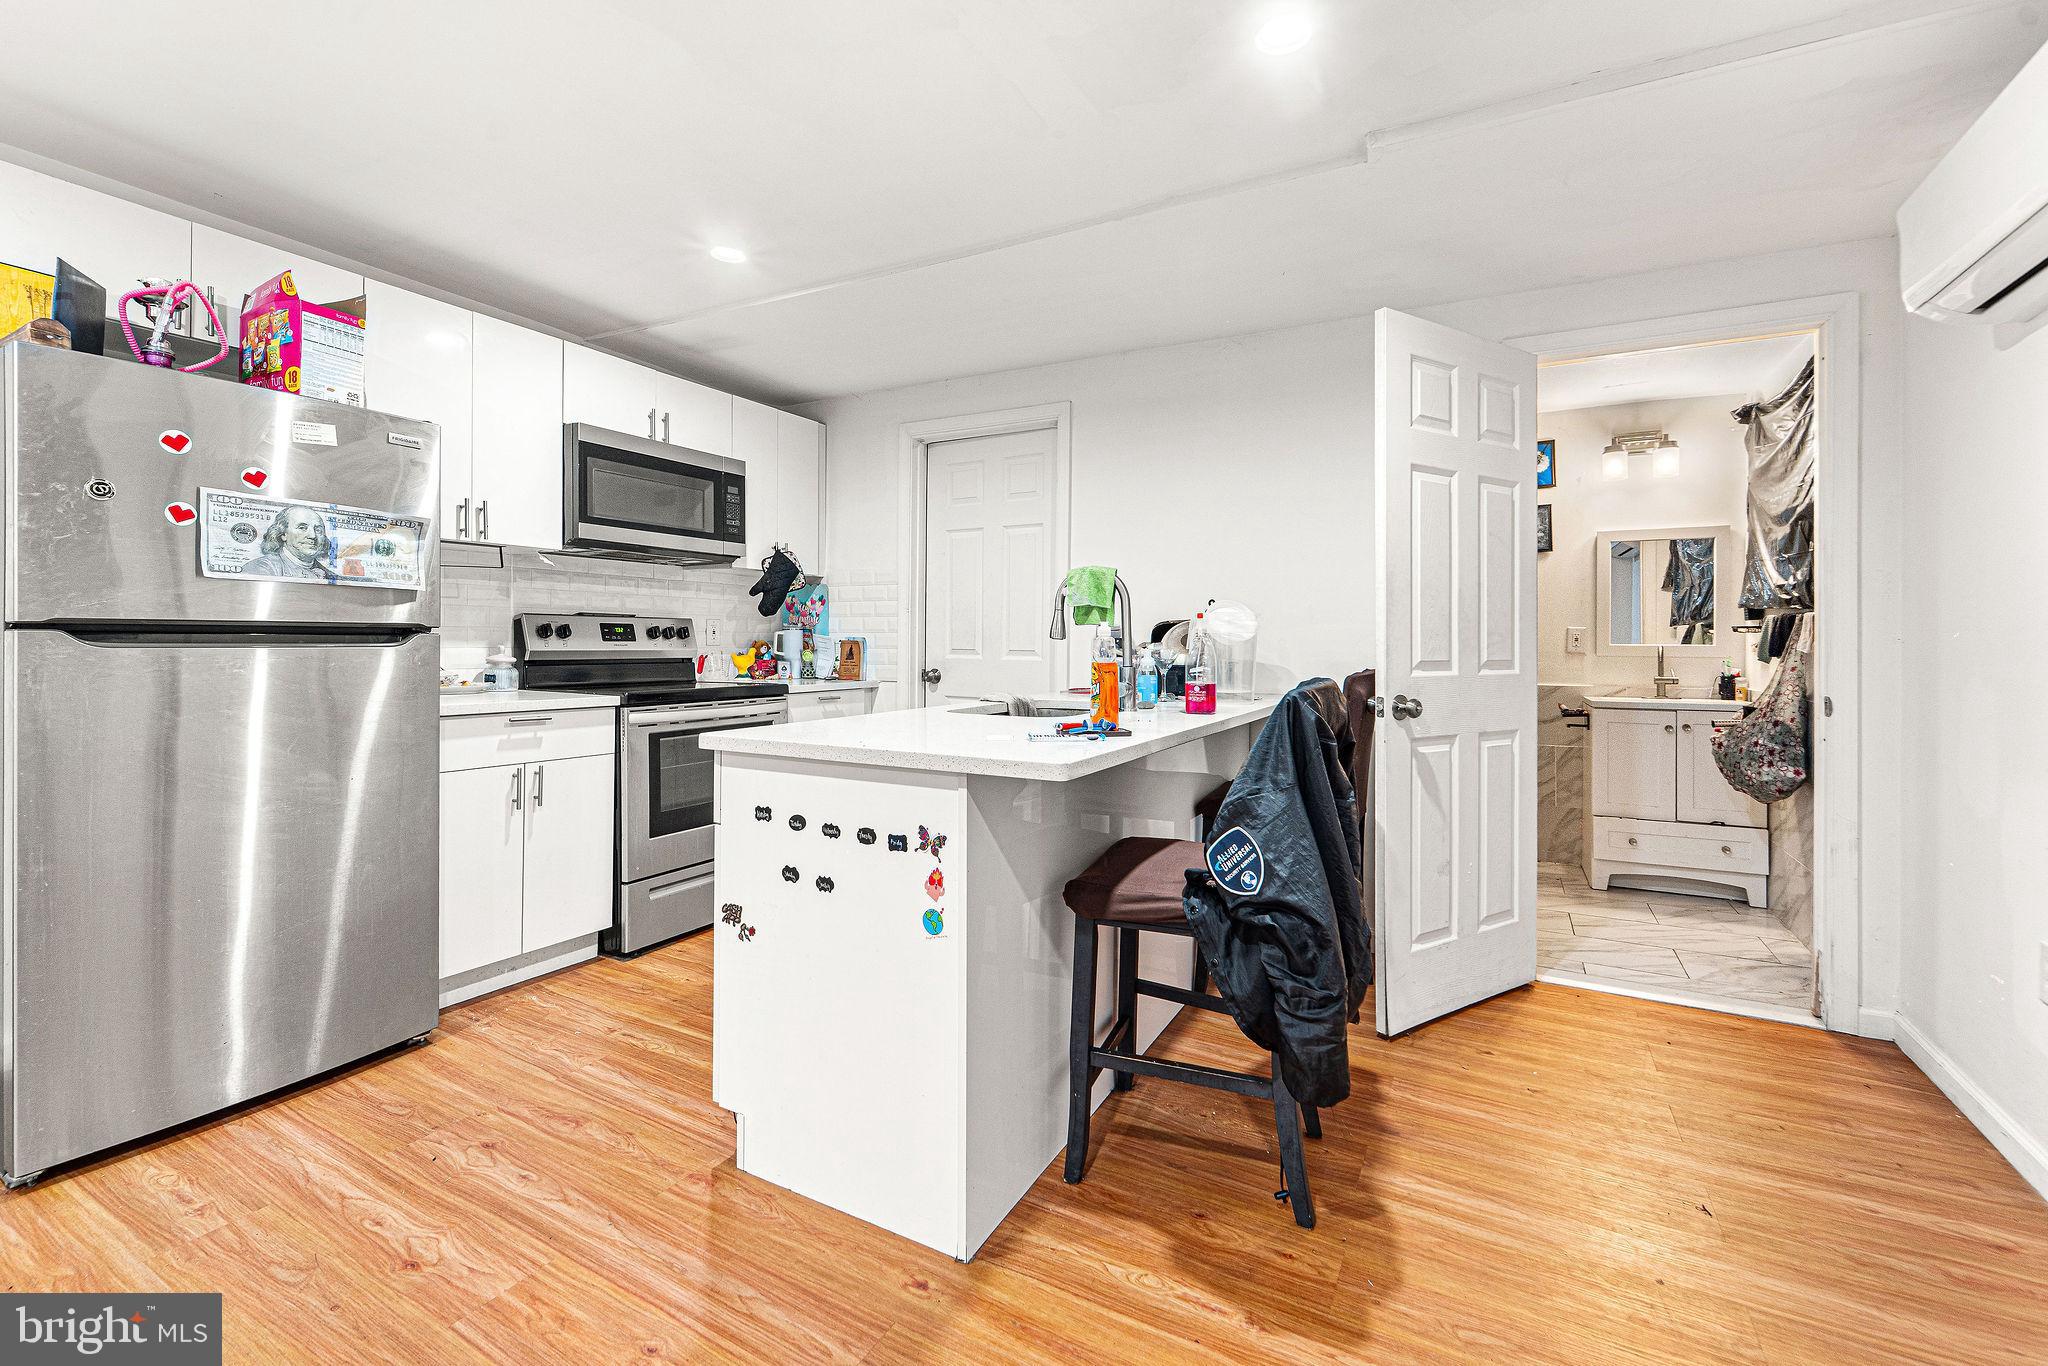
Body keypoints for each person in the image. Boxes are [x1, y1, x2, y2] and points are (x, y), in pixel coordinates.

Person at [243, 504, 333, 581]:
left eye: (318, 530)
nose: (312, 536)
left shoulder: (331, 576)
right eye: (302, 528)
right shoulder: (260, 568)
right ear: (283, 534)